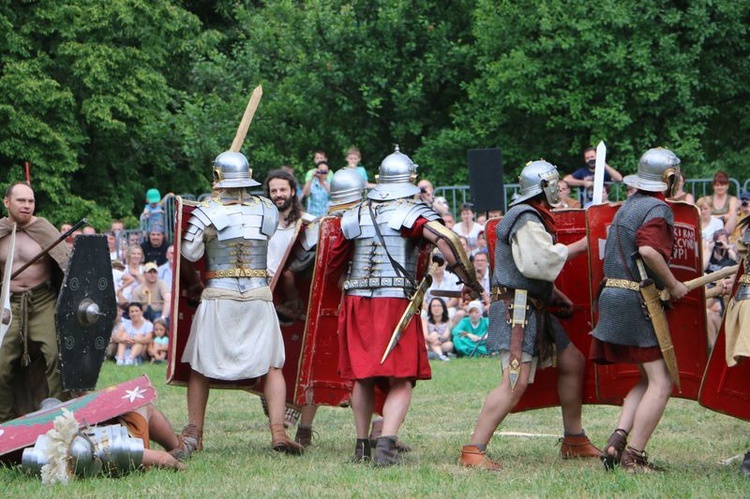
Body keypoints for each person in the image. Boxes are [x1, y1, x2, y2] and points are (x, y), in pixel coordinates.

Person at [330, 146, 482, 466]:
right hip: (394, 303)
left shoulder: (355, 212)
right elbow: (449, 240)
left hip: (357, 302)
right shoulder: (411, 212)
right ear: (411, 181)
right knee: (402, 377)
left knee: (363, 376)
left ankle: (361, 446)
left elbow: (333, 266)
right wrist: (470, 282)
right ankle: (385, 446)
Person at [459, 160, 599, 471]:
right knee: (515, 382)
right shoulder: (524, 218)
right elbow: (538, 263)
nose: (559, 188)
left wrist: (554, 295)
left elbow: (530, 269)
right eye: (555, 183)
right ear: (543, 187)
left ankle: (573, 439)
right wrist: (581, 246)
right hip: (517, 310)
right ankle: (473, 449)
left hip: (533, 306)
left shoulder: (532, 217)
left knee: (572, 361)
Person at [175, 151, 303, 456]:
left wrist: (207, 217)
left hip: (220, 296)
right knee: (272, 365)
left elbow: (190, 253)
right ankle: (278, 431)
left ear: (218, 178)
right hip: (258, 295)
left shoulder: (208, 211)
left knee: (200, 365)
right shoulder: (266, 209)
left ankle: (196, 433)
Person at [590, 147, 689, 473]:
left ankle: (617, 442)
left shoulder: (629, 205)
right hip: (635, 301)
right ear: (669, 178)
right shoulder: (658, 209)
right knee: (662, 382)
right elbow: (647, 249)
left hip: (614, 297)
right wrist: (673, 285)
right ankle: (634, 455)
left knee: (648, 379)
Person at [0, 182, 71, 422]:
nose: (27, 206)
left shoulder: (44, 230)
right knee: (1, 366)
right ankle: (6, 424)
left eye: (31, 201)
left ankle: (61, 418)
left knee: (55, 356)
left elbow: (67, 266)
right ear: (7, 202)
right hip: (7, 306)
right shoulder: (0, 231)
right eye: (21, 200)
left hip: (42, 301)